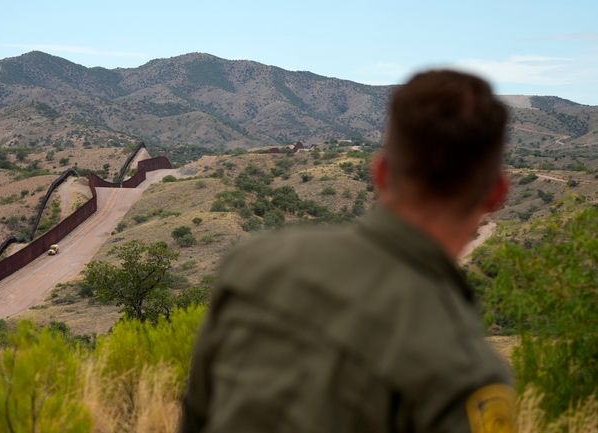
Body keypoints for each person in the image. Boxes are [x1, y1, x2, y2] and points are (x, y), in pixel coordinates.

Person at [181, 70, 516, 433]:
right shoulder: (468, 370)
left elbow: (196, 415)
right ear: (497, 194)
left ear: (381, 173)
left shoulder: (253, 262)